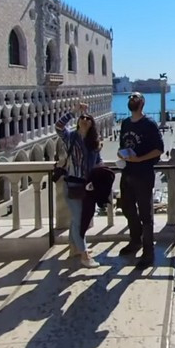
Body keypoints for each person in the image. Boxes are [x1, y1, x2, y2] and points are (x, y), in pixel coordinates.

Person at [117, 93, 164, 268]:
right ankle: (135, 240)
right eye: (130, 97)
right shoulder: (125, 123)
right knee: (128, 209)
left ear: (142, 103)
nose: (132, 98)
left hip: (143, 175)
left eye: (135, 97)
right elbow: (123, 145)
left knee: (146, 215)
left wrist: (140, 159)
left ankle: (148, 252)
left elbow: (159, 149)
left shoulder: (149, 124)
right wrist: (120, 154)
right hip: (126, 173)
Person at [55, 102, 102, 268]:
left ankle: (74, 249)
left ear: (92, 123)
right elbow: (59, 126)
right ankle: (84, 255)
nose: (84, 119)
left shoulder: (94, 143)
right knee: (79, 219)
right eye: (81, 117)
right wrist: (73, 111)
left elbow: (98, 163)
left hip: (87, 186)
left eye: (87, 118)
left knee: (78, 220)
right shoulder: (70, 138)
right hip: (72, 185)